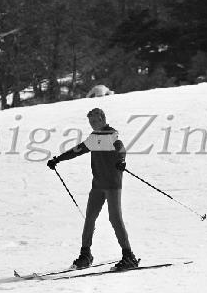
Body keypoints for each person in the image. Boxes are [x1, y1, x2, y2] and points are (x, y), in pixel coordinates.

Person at [46, 108, 139, 271]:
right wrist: (58, 159)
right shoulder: (94, 138)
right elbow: (77, 150)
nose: (92, 124)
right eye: (90, 122)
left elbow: (120, 148)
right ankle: (85, 255)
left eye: (95, 121)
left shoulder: (111, 136)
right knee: (90, 218)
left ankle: (129, 256)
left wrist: (122, 160)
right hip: (97, 185)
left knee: (115, 219)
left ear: (102, 119)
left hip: (112, 185)